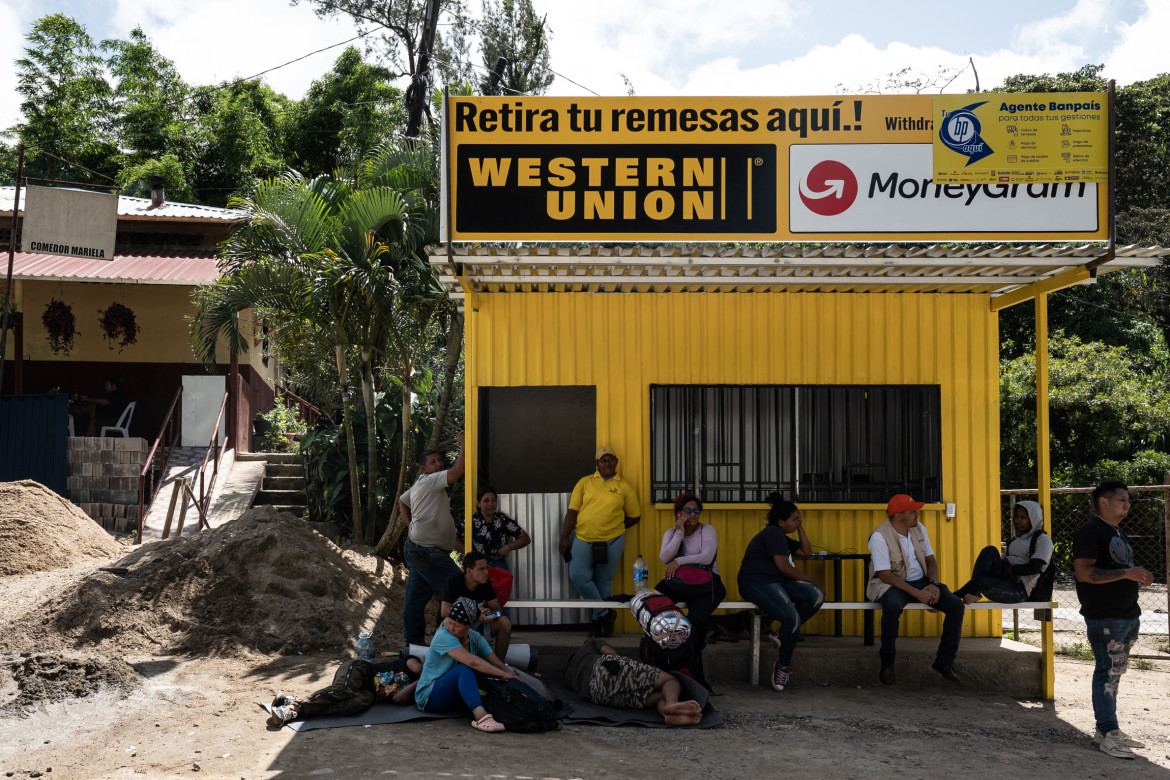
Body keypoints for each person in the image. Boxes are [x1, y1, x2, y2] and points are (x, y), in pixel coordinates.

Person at [1073, 480, 1155, 759]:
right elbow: (1084, 573)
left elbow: (1119, 569)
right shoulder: (1091, 531)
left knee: (1114, 672)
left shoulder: (1116, 530)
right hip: (1105, 615)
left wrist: (1140, 576)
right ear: (1103, 502)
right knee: (1107, 672)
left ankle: (1108, 729)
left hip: (1126, 614)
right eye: (1121, 499)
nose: (1127, 503)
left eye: (1128, 499)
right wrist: (1126, 574)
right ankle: (1107, 732)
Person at [867, 493, 965, 685]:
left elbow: (930, 559)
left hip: (922, 582)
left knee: (956, 607)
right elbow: (885, 574)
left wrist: (933, 583)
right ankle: (887, 664)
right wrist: (918, 594)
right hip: (891, 584)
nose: (917, 514)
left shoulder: (919, 528)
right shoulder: (879, 536)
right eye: (912, 512)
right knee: (892, 607)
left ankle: (944, 662)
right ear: (898, 515)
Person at [737, 493, 825, 692]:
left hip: (777, 582)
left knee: (816, 596)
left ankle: (781, 633)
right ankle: (783, 666)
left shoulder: (782, 536)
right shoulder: (773, 534)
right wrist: (811, 580)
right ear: (780, 521)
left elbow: (806, 552)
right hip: (756, 583)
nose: (797, 522)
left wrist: (800, 526)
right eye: (794, 519)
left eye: (798, 519)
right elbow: (785, 567)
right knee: (792, 617)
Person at [559, 446, 642, 637]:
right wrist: (565, 536)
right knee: (578, 576)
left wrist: (613, 527)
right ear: (597, 463)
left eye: (611, 459)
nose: (608, 463)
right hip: (583, 537)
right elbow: (572, 512)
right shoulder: (585, 482)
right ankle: (605, 612)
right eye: (603, 460)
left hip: (613, 541)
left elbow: (635, 516)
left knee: (603, 580)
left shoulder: (624, 487)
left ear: (616, 462)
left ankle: (598, 625)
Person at [415, 597, 518, 732]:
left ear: (468, 626)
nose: (451, 628)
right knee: (465, 668)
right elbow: (471, 661)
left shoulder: (475, 638)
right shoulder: (443, 636)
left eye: (457, 625)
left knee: (486, 670)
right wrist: (503, 674)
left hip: (452, 696)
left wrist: (509, 673)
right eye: (450, 623)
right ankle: (481, 717)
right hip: (431, 697)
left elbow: (495, 661)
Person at [400, 432, 465, 646]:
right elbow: (459, 470)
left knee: (416, 597)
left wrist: (412, 527)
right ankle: (443, 639)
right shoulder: (431, 480)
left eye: (439, 460)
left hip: (420, 549)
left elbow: (402, 501)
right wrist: (464, 445)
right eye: (432, 462)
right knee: (456, 587)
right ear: (423, 468)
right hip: (427, 551)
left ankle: (414, 644)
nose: (438, 464)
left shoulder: (421, 483)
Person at [654, 492, 724, 686]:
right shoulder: (671, 533)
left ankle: (694, 656)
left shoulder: (707, 530)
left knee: (697, 617)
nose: (693, 514)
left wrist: (679, 560)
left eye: (696, 510)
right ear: (679, 513)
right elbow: (664, 558)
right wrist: (679, 533)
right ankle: (661, 654)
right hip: (678, 582)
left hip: (707, 583)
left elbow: (707, 557)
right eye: (687, 510)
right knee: (656, 607)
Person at [562, 638, 703, 727]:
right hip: (606, 670)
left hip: (598, 695)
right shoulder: (590, 645)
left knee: (660, 696)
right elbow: (612, 654)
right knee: (670, 680)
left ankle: (667, 716)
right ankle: (671, 705)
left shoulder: (568, 675)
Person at [267, 655, 423, 727]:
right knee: (344, 690)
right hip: (360, 670)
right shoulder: (412, 659)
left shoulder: (418, 687)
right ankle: (291, 708)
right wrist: (427, 674)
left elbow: (398, 699)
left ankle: (291, 706)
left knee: (351, 705)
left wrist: (420, 682)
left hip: (370, 694)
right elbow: (417, 667)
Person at [955, 500, 1053, 604]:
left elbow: (1034, 568)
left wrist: (1010, 567)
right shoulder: (1015, 541)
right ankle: (973, 593)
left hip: (1019, 589)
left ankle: (951, 599)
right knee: (990, 550)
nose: (1018, 520)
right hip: (1003, 579)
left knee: (978, 581)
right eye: (1016, 517)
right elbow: (1002, 562)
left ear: (1033, 519)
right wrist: (1011, 562)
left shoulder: (1042, 539)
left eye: (1023, 517)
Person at [441, 551, 513, 662]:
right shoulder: (454, 581)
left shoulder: (485, 582)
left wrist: (488, 616)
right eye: (481, 569)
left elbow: (499, 612)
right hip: (453, 629)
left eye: (486, 568)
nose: (486, 573)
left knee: (505, 622)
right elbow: (444, 611)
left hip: (475, 628)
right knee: (447, 621)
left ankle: (499, 666)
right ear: (469, 571)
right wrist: (475, 613)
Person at [458, 486, 532, 571]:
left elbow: (525, 538)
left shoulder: (503, 520)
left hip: (498, 566)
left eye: (494, 500)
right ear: (478, 503)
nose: (491, 504)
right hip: (476, 567)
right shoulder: (471, 521)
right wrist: (469, 553)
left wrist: (508, 547)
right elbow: (453, 538)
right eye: (486, 501)